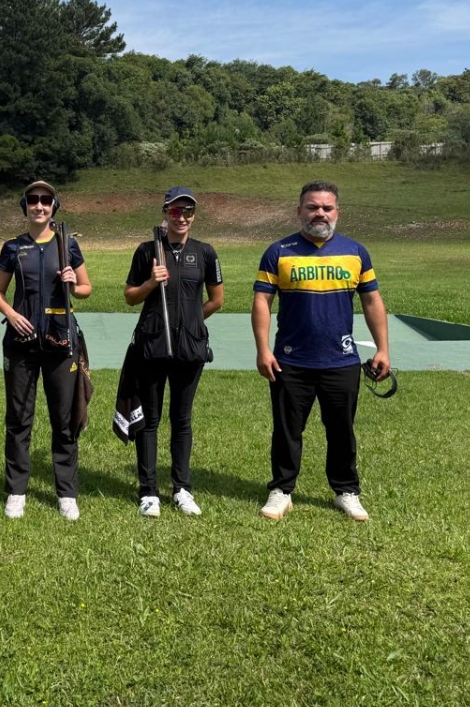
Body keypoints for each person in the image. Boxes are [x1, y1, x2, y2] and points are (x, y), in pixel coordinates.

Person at [252, 180, 391, 522]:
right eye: (312, 207)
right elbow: (262, 300)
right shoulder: (278, 251)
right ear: (299, 211)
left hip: (340, 359)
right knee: (287, 430)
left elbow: (371, 301)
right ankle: (281, 491)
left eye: (327, 208)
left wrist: (383, 349)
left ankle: (347, 492)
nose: (320, 213)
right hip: (290, 360)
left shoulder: (356, 252)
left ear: (337, 212)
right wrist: (263, 349)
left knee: (341, 430)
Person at [0, 181, 93, 521]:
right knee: (19, 418)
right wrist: (11, 314)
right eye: (33, 200)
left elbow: (86, 288)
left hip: (60, 342)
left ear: (53, 206)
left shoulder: (68, 244)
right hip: (21, 344)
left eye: (45, 200)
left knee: (64, 420)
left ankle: (66, 493)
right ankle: (16, 491)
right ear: (25, 206)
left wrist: (73, 283)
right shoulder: (12, 247)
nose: (39, 205)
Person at [124, 187, 223, 518]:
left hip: (190, 350)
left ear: (194, 215)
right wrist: (151, 283)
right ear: (165, 212)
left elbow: (216, 300)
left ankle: (182, 488)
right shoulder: (147, 250)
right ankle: (149, 491)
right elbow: (130, 296)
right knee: (149, 420)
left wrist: (191, 323)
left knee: (182, 420)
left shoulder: (205, 252)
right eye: (176, 211)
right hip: (153, 347)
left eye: (188, 211)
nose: (182, 217)